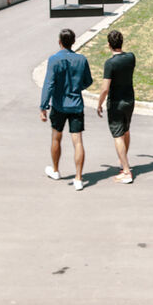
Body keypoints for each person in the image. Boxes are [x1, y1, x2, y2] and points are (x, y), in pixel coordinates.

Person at [40, 28, 93, 191]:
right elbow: (88, 81)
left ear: (59, 42)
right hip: (76, 104)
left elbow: (49, 84)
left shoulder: (54, 60)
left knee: (56, 137)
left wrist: (43, 106)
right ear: (74, 42)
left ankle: (56, 170)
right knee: (78, 141)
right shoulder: (81, 59)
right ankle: (78, 178)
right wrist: (77, 87)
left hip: (59, 104)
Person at [97, 29, 136, 184]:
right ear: (121, 42)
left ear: (109, 45)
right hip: (130, 101)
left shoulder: (110, 64)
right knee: (126, 131)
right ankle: (123, 161)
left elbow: (105, 88)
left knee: (117, 135)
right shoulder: (131, 57)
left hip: (116, 103)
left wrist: (99, 104)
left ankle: (126, 171)